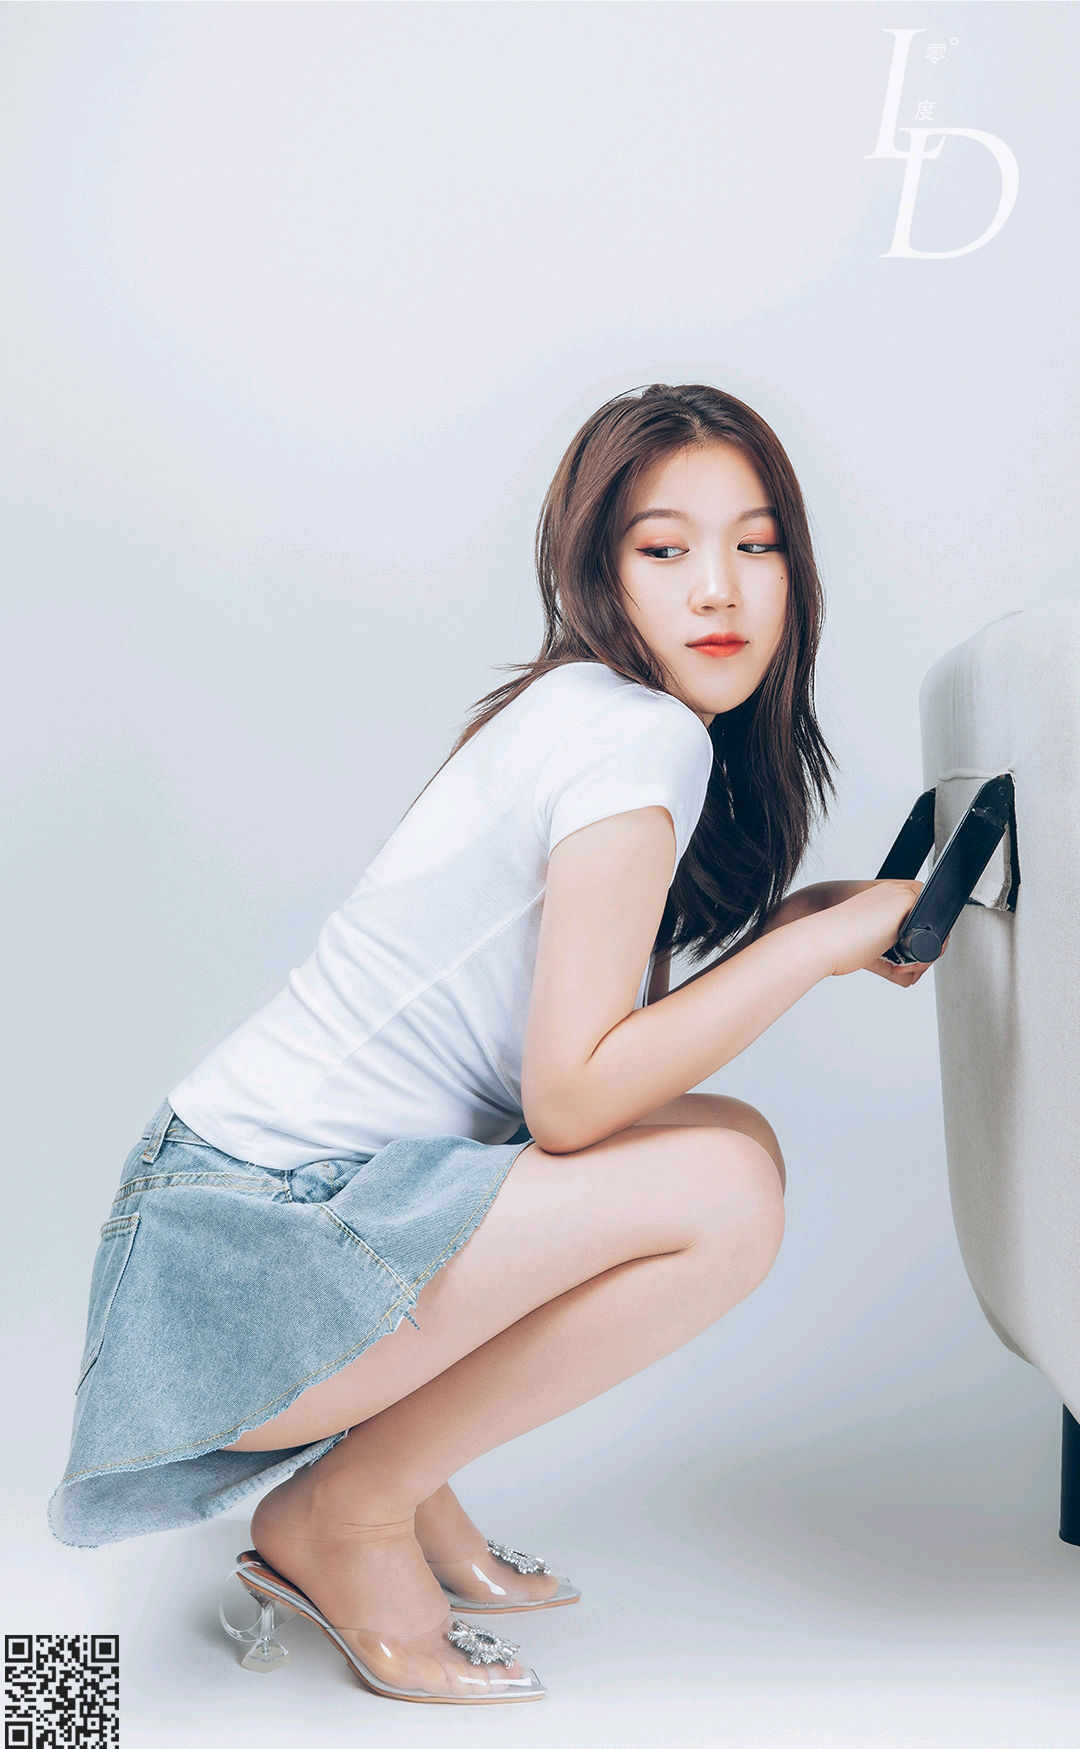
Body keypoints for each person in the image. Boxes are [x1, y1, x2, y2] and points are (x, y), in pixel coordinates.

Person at [48, 381, 928, 1705]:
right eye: (665, 548)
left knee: (723, 1143)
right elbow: (570, 1098)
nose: (720, 589)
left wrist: (798, 925)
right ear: (597, 567)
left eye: (756, 545)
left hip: (216, 1224)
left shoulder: (580, 707)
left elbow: (540, 1071)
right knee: (727, 1192)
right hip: (238, 1264)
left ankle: (404, 1486)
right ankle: (348, 1510)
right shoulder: (639, 737)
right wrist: (810, 954)